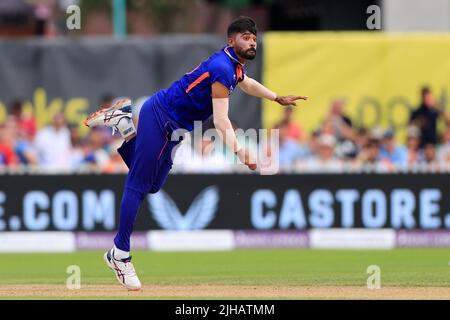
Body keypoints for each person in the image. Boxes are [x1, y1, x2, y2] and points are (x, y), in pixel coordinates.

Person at [84, 16, 307, 290]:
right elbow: (222, 121)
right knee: (137, 185)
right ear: (230, 40)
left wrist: (276, 97)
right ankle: (120, 254)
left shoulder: (232, 66)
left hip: (172, 127)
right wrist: (240, 151)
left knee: (153, 186)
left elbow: (246, 82)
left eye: (254, 39)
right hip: (160, 118)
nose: (251, 43)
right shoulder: (223, 68)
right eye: (245, 38)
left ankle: (125, 126)